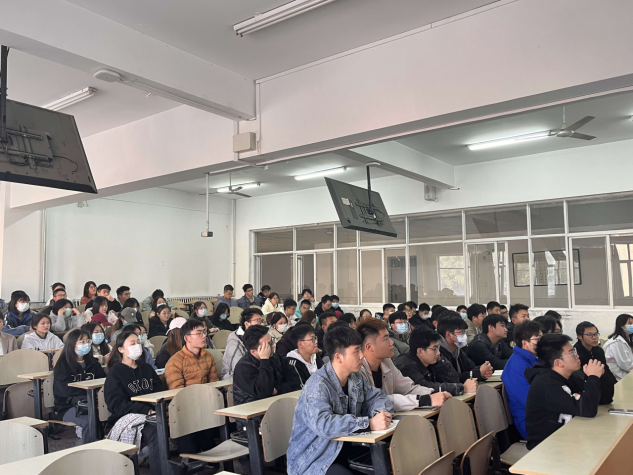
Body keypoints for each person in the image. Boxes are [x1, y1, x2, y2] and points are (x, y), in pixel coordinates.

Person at [287, 324, 394, 475]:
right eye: (356, 351)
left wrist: (379, 415)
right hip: (315, 459)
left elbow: (377, 397)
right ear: (338, 357)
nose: (362, 356)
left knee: (391, 461)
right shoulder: (318, 385)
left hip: (344, 448)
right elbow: (324, 425)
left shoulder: (355, 377)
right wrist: (369, 423)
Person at [525, 334, 604, 449]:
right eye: (572, 353)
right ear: (558, 363)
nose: (577, 356)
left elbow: (603, 399)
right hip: (546, 447)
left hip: (569, 437)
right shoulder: (547, 384)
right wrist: (593, 378)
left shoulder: (570, 376)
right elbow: (588, 409)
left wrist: (598, 373)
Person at [357, 319, 450, 411]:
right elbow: (377, 400)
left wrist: (433, 394)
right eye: (386, 339)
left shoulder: (386, 362)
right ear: (369, 347)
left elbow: (408, 388)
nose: (391, 342)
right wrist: (425, 400)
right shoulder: (358, 370)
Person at [104, 331, 163, 475]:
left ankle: (188, 463)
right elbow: (116, 404)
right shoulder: (115, 372)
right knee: (157, 430)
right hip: (128, 417)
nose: (137, 346)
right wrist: (146, 411)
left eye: (138, 343)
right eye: (132, 343)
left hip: (152, 413)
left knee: (178, 420)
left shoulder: (146, 368)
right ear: (121, 349)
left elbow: (159, 391)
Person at [164, 318, 219, 454]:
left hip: (206, 403)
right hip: (185, 407)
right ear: (187, 338)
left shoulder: (208, 357)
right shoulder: (175, 361)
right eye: (199, 333)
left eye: (204, 332)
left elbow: (214, 383)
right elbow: (177, 392)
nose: (204, 336)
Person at [53, 328, 106, 442]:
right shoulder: (63, 365)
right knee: (90, 421)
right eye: (82, 342)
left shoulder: (93, 363)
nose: (86, 344)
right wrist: (88, 392)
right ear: (72, 344)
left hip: (95, 403)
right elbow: (63, 390)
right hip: (69, 406)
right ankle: (90, 450)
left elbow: (103, 381)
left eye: (87, 341)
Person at [233, 325, 300, 412]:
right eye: (267, 345)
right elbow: (264, 392)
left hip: (279, 407)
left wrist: (277, 389)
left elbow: (296, 382)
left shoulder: (276, 358)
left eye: (272, 342)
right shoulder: (243, 368)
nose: (272, 347)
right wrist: (264, 360)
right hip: (253, 414)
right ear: (253, 352)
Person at [394, 328, 475, 396]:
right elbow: (425, 387)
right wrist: (462, 388)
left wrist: (440, 361)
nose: (438, 352)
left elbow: (454, 380)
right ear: (420, 351)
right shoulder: (405, 365)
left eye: (438, 347)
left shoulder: (431, 360)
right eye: (434, 348)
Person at [501, 321, 543, 440]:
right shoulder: (516, 367)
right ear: (525, 343)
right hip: (531, 422)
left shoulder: (534, 359)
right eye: (538, 339)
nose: (542, 342)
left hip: (542, 416)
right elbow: (529, 402)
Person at [436, 313, 494, 383]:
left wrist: (484, 371)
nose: (464, 335)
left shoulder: (458, 349)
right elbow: (454, 378)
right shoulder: (438, 353)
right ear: (448, 334)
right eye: (461, 332)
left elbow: (471, 367)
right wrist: (479, 372)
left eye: (464, 332)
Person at [575, 321, 615, 404]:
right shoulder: (576, 354)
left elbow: (605, 369)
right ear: (579, 336)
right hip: (586, 394)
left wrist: (614, 383)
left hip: (604, 391)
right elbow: (580, 379)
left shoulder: (598, 350)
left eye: (596, 334)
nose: (594, 337)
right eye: (590, 335)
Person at [221, 307, 265, 379]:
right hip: (233, 379)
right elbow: (239, 368)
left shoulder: (259, 337)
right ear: (247, 324)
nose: (262, 324)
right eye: (259, 321)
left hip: (254, 375)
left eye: (262, 321)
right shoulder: (234, 341)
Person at [603, 313, 633, 381]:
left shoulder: (626, 339)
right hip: (619, 377)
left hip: (626, 374)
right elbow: (626, 365)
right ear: (622, 325)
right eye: (630, 323)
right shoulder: (617, 342)